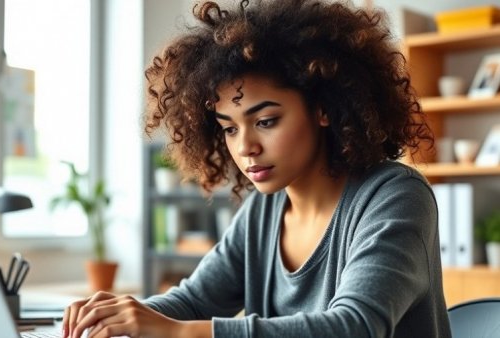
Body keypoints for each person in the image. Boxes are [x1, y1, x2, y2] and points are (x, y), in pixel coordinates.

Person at [62, 0, 451, 337]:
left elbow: (355, 326)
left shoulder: (396, 197)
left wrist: (182, 333)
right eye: (229, 128)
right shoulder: (263, 212)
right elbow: (196, 300)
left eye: (265, 121)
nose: (244, 147)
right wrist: (117, 316)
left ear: (323, 109)